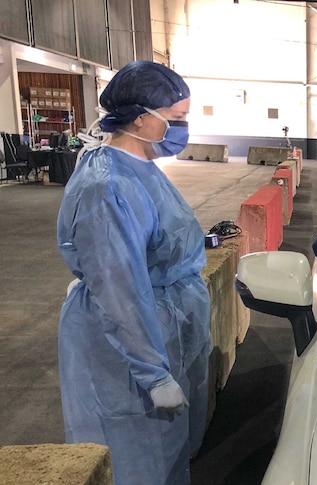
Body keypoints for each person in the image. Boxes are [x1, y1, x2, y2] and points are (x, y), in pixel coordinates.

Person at [56, 61, 211, 485]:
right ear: (142, 117)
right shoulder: (107, 186)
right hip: (130, 350)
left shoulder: (140, 168)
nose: (183, 128)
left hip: (163, 329)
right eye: (176, 119)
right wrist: (153, 373)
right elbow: (118, 289)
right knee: (136, 456)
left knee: (166, 453)